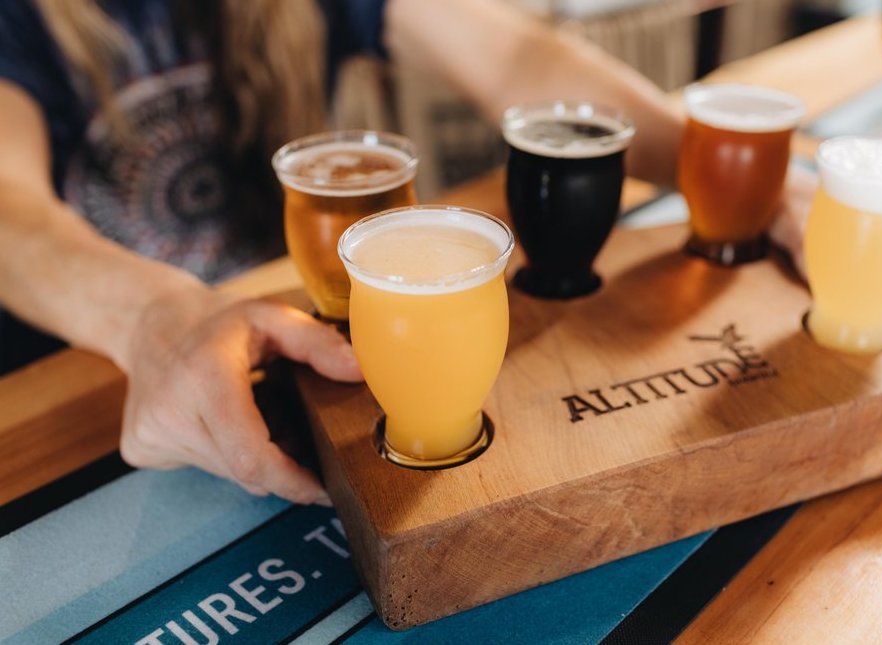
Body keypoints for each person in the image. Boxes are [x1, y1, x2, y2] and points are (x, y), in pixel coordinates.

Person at [0, 0, 812, 503]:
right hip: (96, 364)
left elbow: (516, 57)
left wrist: (729, 178)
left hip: (323, 320)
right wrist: (152, 316)